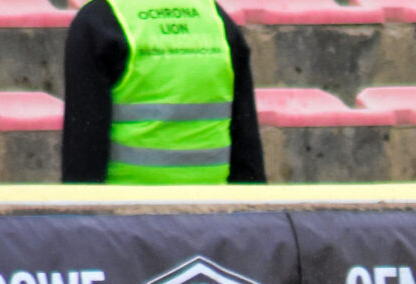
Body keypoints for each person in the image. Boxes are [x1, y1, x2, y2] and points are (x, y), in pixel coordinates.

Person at [60, 0, 266, 186]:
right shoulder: (215, 17)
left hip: (126, 208)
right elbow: (247, 152)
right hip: (212, 208)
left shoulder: (98, 20)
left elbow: (84, 151)